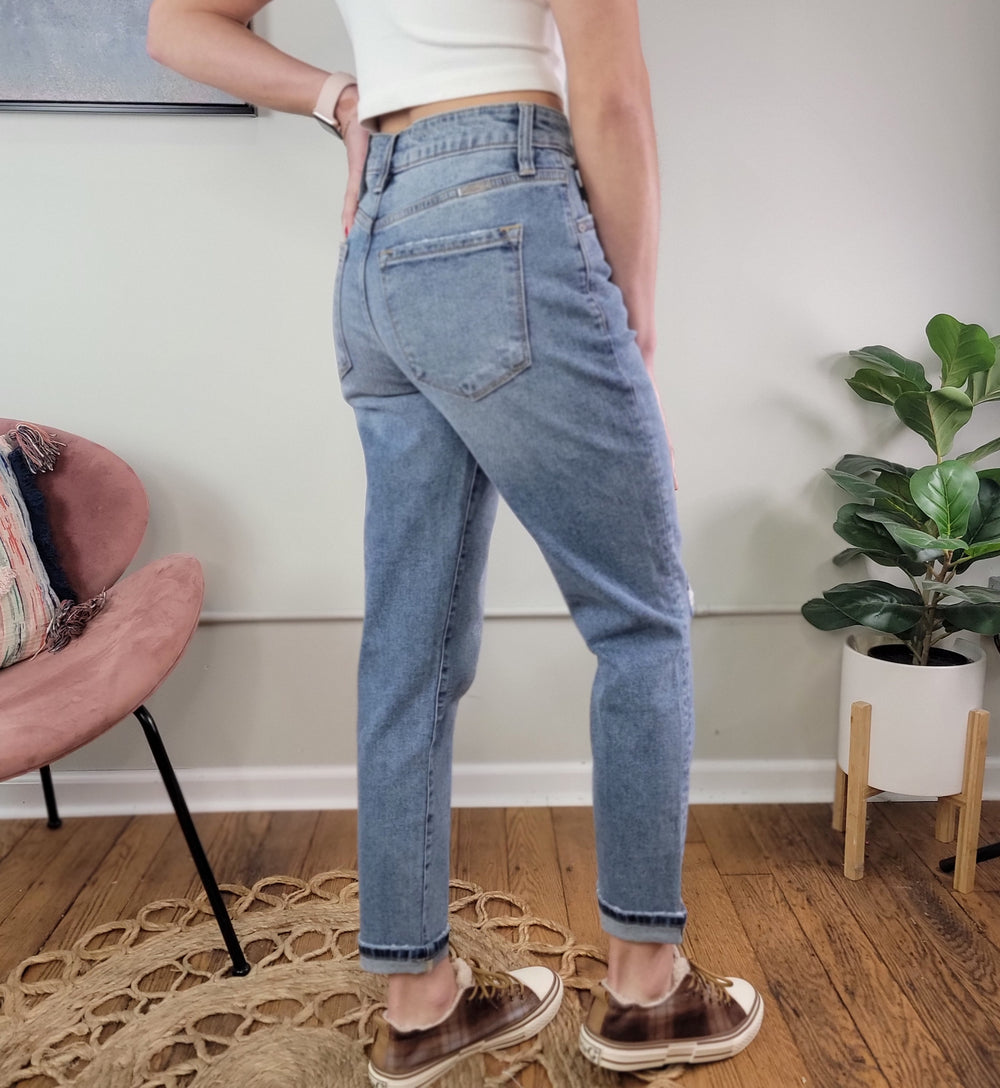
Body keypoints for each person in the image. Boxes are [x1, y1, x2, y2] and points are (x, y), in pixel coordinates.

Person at [146, 1, 764, 1084]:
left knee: (408, 648)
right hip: (506, 205)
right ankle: (646, 990)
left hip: (378, 238)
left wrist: (340, 100)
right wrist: (635, 318)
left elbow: (175, 26)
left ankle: (420, 1003)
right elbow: (612, 96)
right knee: (640, 616)